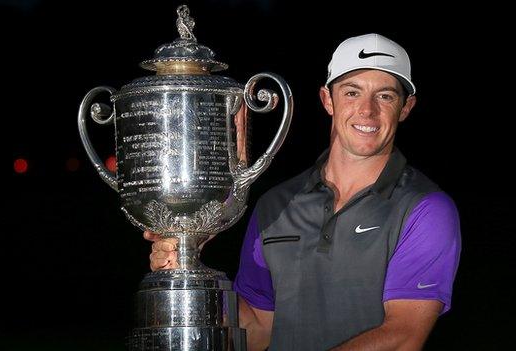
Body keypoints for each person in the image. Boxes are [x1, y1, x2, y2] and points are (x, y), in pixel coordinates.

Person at [146, 33, 461, 351]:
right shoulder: (276, 205)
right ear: (328, 100)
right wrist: (189, 271)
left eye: (385, 96)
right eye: (352, 93)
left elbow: (403, 337)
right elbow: (257, 328)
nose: (367, 110)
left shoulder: (426, 209)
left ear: (406, 108)